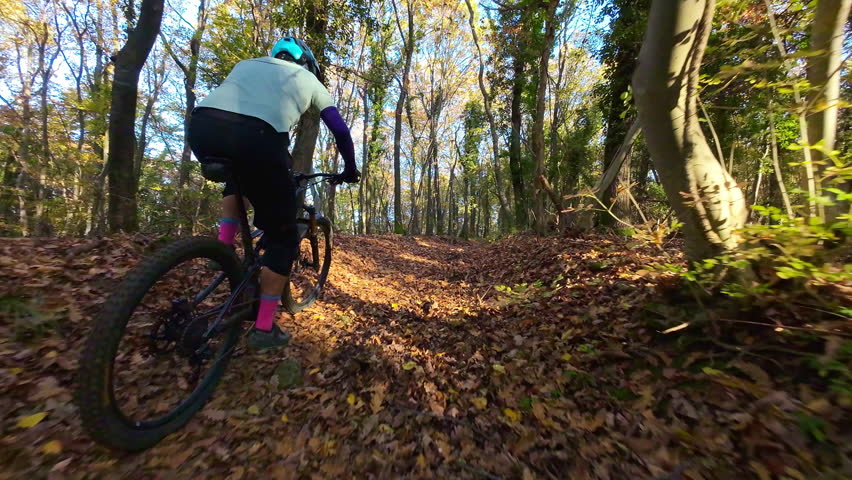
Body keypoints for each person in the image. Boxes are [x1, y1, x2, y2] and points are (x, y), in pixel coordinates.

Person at [187, 37, 360, 350]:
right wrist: (350, 168)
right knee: (283, 238)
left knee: (241, 177)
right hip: (259, 138)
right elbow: (340, 130)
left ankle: (222, 252)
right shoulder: (309, 79)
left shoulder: (247, 65)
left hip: (201, 127)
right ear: (306, 64)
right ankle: (264, 328)